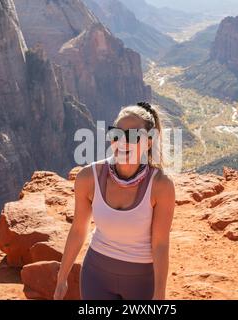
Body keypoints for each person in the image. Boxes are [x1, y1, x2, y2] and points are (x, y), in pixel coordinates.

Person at [54, 102, 175, 300]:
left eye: (133, 136)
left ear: (149, 142)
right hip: (95, 277)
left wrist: (159, 293)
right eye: (116, 134)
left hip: (142, 282)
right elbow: (78, 230)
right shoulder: (88, 178)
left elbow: (161, 243)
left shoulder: (161, 186)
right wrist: (61, 278)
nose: (122, 142)